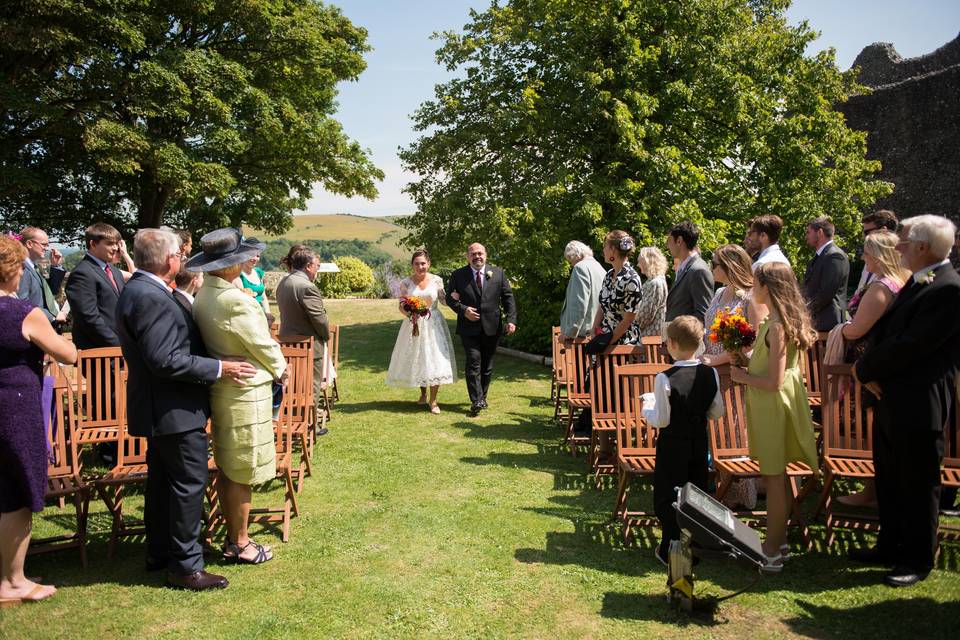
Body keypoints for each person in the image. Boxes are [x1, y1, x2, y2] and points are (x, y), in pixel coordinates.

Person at [116, 228, 256, 590]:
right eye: (179, 253)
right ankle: (186, 566)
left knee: (163, 484)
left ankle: (161, 551)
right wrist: (219, 367)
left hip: (163, 407)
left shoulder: (145, 289)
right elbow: (166, 359)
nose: (181, 258)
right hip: (173, 407)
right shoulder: (149, 295)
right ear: (169, 259)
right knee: (187, 486)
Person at [850, 215, 960, 588]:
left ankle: (916, 557)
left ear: (924, 248)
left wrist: (865, 368)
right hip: (891, 397)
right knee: (890, 477)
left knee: (917, 482)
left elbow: (913, 344)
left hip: (918, 401)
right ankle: (889, 543)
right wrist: (873, 371)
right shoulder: (918, 281)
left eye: (904, 243)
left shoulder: (948, 288)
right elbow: (886, 331)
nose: (898, 249)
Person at [190, 228, 288, 565]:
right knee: (241, 470)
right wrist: (281, 368)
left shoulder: (206, 294)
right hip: (245, 392)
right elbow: (260, 343)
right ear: (229, 264)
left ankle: (234, 535)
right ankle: (241, 542)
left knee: (230, 466)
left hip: (225, 389)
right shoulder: (233, 300)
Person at [0, 235, 77, 606]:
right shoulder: (22, 313)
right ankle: (13, 581)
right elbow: (67, 353)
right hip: (14, 407)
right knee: (18, 493)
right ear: (13, 271)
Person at [730, 262, 820, 571]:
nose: (751, 288)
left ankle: (770, 550)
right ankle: (779, 541)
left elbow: (774, 381)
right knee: (775, 475)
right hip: (770, 405)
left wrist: (742, 378)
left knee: (775, 478)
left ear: (768, 287)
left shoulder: (779, 326)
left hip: (774, 407)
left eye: (755, 283)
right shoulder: (776, 321)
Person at [822, 230, 907, 509]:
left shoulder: (881, 288)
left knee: (868, 431)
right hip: (880, 368)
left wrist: (841, 330)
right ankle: (875, 491)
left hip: (866, 372)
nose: (862, 257)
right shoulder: (902, 283)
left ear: (879, 256)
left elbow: (859, 328)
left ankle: (872, 492)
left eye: (866, 252)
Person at [642, 315, 723, 566]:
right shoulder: (711, 374)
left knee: (668, 494)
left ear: (673, 343)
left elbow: (662, 419)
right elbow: (716, 411)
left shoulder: (664, 378)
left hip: (672, 445)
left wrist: (647, 405)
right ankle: (693, 546)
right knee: (694, 492)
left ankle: (670, 548)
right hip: (698, 442)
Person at [445, 243, 517, 415]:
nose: (477, 256)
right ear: (467, 256)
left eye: (480, 253)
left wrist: (511, 319)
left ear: (486, 254)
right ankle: (476, 400)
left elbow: (508, 297)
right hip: (468, 328)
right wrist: (464, 310)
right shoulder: (458, 275)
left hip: (492, 327)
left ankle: (482, 397)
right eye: (473, 254)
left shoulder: (498, 273)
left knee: (487, 365)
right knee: (473, 362)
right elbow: (450, 298)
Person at [385, 250, 457, 413]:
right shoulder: (406, 283)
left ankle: (433, 400)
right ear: (412, 265)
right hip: (414, 324)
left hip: (434, 324)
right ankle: (423, 394)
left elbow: (444, 300)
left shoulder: (437, 280)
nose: (420, 266)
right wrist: (410, 314)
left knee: (435, 359)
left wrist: (455, 297)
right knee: (419, 358)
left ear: (429, 264)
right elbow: (401, 305)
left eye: (423, 263)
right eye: (417, 263)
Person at [275, 247, 331, 435]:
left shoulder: (284, 282)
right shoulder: (307, 286)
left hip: (287, 342)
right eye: (317, 266)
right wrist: (325, 335)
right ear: (308, 266)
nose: (317, 269)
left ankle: (292, 421)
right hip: (308, 344)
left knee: (293, 386)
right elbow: (319, 319)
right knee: (311, 386)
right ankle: (310, 426)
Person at [701, 244, 768, 366]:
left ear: (729, 266)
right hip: (711, 366)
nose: (711, 268)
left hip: (737, 369)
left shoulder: (753, 296)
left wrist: (718, 359)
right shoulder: (719, 292)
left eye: (714, 264)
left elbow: (756, 340)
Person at [64, 222, 125, 350]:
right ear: (93, 244)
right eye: (109, 243)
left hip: (120, 353)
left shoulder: (115, 272)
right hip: (99, 355)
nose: (115, 248)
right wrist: (118, 344)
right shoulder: (82, 273)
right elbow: (88, 318)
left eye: (116, 243)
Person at [802, 216, 850, 332]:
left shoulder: (835, 256)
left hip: (829, 324)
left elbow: (826, 293)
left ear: (820, 232)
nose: (806, 236)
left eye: (808, 232)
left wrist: (804, 310)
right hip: (818, 321)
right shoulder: (819, 256)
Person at [15, 227, 67, 327]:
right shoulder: (22, 268)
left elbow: (48, 291)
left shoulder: (32, 266)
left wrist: (55, 266)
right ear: (30, 244)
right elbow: (22, 304)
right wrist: (52, 316)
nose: (46, 248)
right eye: (43, 244)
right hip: (34, 329)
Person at [664, 221, 714, 324]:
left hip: (685, 339)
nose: (667, 245)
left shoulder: (699, 270)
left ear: (679, 241)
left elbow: (703, 315)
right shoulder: (685, 267)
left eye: (669, 240)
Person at [559, 241, 606, 341]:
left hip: (583, 336)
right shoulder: (600, 268)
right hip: (599, 331)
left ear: (574, 255)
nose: (571, 264)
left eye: (570, 260)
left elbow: (579, 303)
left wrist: (570, 332)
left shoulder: (580, 268)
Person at [854, 209, 898, 294]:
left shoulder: (900, 262)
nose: (864, 237)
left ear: (883, 231)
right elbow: (860, 289)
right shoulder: (870, 258)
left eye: (867, 232)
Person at [634, 246, 669, 338]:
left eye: (640, 261)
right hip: (649, 338)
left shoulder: (655, 283)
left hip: (647, 339)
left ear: (647, 262)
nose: (638, 265)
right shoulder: (656, 281)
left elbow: (644, 315)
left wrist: (627, 327)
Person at [237, 240, 271, 316]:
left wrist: (268, 314)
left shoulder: (259, 272)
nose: (255, 258)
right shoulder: (238, 275)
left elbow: (263, 297)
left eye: (258, 256)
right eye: (252, 255)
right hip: (248, 315)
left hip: (262, 315)